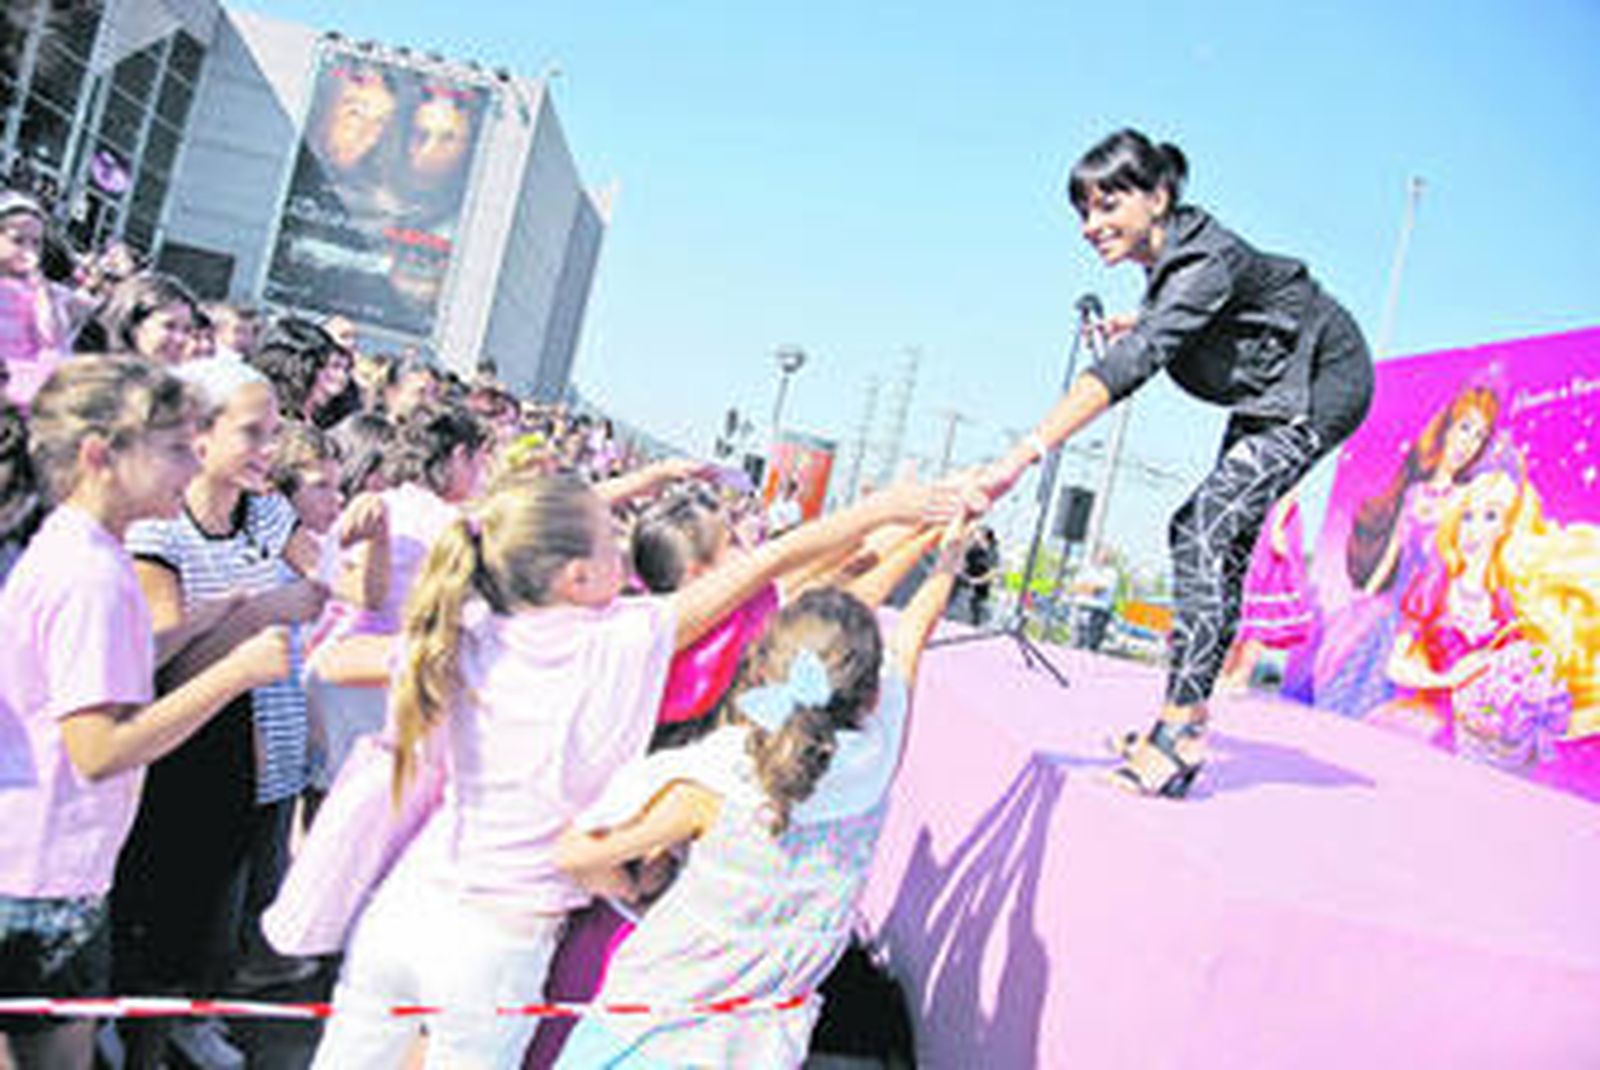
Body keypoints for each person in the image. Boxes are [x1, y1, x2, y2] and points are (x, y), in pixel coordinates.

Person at [308, 473, 957, 1069]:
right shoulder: (630, 644)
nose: (624, 547)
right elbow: (791, 575)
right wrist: (904, 518)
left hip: (406, 904)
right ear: (577, 575)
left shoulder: (472, 631)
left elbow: (338, 661)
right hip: (522, 935)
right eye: (609, 539)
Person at [979, 129, 1373, 798]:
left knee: (1199, 528)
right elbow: (1197, 312)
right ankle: (1184, 721)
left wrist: (1024, 453)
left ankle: (1180, 729)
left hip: (1321, 383)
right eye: (1084, 210)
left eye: (1108, 205)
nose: (1090, 225)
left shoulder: (1203, 260)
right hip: (1271, 390)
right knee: (1219, 543)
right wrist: (1142, 317)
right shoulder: (1177, 262)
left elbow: (1136, 363)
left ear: (1158, 197)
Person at [550, 523, 967, 1067]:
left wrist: (630, 885)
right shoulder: (877, 760)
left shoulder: (717, 781)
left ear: (763, 668)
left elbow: (575, 855)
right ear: (870, 695)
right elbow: (911, 637)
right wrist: (950, 556)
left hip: (646, 1034)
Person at [0, 359, 289, 1070]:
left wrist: (195, 626)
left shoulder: (79, 550)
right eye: (174, 448)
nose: (191, 464)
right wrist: (235, 672)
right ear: (100, 456)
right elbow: (99, 747)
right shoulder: (93, 575)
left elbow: (86, 681)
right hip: (43, 875)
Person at [113, 359, 328, 1068]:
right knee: (162, 926)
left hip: (247, 747)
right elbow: (168, 669)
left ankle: (173, 1030)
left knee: (210, 923)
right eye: (253, 432)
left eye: (275, 431)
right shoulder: (158, 533)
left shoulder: (265, 511)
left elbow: (328, 582)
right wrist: (259, 612)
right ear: (198, 434)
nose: (270, 448)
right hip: (180, 754)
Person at [1313, 384, 1500, 715]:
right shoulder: (1416, 492)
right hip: (1397, 600)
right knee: (1360, 671)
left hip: (1431, 604)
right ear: (1447, 428)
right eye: (1465, 428)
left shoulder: (1466, 497)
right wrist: (1366, 596)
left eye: (1478, 436)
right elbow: (1393, 551)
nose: (1468, 443)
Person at [1218, 489, 1312, 692]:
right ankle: (1226, 672)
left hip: (1272, 520)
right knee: (1240, 604)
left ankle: (1240, 676)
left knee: (1263, 601)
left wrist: (1276, 527)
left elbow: (1291, 486)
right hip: (1253, 515)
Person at [0, 190, 81, 408]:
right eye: (17, 240)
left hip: (28, 397)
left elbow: (53, 339)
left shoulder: (47, 292)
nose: (29, 250)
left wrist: (44, 297)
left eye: (36, 243)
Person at [95, 272, 199, 366]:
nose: (180, 339)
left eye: (187, 330)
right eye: (169, 326)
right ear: (133, 325)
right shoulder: (97, 375)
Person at [1068, 547, 1118, 652]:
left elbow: (1098, 590)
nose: (1102, 558)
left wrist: (1085, 588)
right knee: (1075, 641)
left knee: (1091, 645)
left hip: (1098, 612)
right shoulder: (1086, 570)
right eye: (1100, 555)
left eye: (1105, 556)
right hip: (1080, 607)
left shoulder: (1110, 573)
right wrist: (1085, 588)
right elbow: (1074, 587)